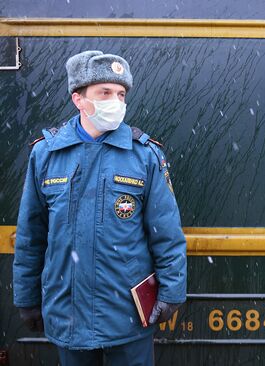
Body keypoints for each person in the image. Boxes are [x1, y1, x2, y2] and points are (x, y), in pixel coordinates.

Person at [13, 50, 187, 366]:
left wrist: (172, 292)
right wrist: (26, 298)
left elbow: (167, 234)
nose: (115, 102)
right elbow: (31, 236)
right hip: (68, 313)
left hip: (128, 315)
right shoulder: (46, 155)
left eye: (121, 94)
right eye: (105, 93)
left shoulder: (144, 156)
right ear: (78, 99)